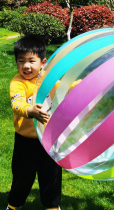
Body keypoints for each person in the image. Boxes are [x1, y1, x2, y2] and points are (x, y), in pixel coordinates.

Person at [6, 34, 62, 210]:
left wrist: (83, 85)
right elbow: (17, 104)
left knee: (51, 176)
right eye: (21, 61)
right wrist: (29, 111)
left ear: (43, 62)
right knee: (22, 177)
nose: (26, 66)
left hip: (49, 139)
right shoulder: (18, 82)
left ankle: (52, 206)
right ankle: (14, 205)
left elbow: (68, 87)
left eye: (31, 61)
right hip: (25, 141)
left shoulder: (50, 80)